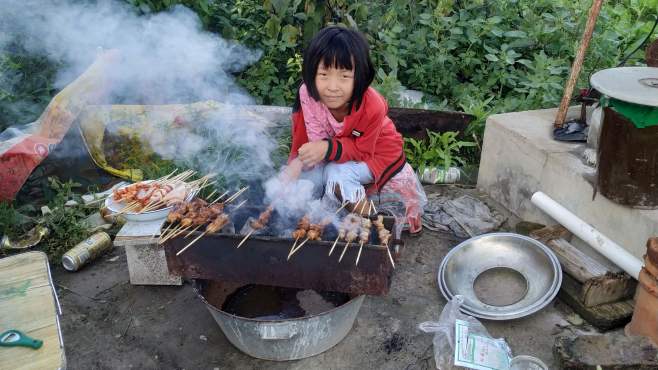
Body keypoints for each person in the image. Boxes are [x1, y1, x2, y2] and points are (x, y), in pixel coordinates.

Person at [283, 25, 426, 234]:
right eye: (323, 74)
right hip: (338, 149)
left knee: (336, 174)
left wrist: (326, 148)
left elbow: (361, 149)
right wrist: (298, 162)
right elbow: (314, 139)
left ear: (359, 76)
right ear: (311, 72)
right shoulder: (308, 94)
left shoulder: (371, 105)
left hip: (378, 151)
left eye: (344, 76)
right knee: (305, 179)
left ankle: (375, 226)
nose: (332, 86)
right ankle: (335, 214)